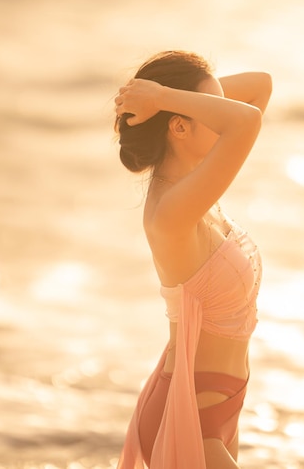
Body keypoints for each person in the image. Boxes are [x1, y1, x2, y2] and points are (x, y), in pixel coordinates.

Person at [114, 50, 272, 469]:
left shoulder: (197, 189)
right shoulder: (172, 212)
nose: (221, 118)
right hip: (186, 416)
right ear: (179, 126)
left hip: (221, 407)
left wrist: (164, 99)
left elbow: (260, 85)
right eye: (210, 107)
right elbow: (246, 119)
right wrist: (165, 97)